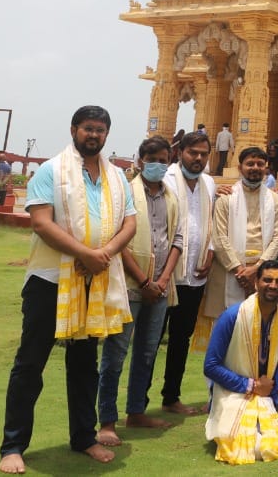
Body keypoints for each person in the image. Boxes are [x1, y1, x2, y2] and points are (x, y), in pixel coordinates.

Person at [0, 106, 137, 474]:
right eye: (88, 128)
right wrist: (86, 254)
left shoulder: (117, 176)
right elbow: (42, 223)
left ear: (107, 134)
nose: (94, 135)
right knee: (30, 365)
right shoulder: (51, 170)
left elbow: (129, 223)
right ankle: (13, 446)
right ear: (74, 129)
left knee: (84, 365)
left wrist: (102, 255)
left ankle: (84, 438)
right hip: (50, 282)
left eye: (101, 130)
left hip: (96, 281)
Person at [97, 136, 183, 445]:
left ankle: (136, 411)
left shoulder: (171, 196)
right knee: (115, 354)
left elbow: (177, 240)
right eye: (153, 158)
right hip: (129, 285)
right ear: (140, 159)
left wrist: (161, 281)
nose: (158, 164)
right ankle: (107, 420)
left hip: (160, 287)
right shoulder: (125, 193)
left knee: (146, 354)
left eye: (164, 159)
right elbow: (118, 241)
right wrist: (144, 282)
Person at [203, 260, 278, 464]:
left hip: (271, 382)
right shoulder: (233, 315)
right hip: (234, 389)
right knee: (259, 449)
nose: (273, 285)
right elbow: (211, 366)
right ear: (256, 282)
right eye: (267, 280)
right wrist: (251, 385)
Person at [200, 147, 278, 351]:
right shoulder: (226, 198)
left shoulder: (273, 199)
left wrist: (257, 269)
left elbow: (277, 237)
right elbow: (219, 239)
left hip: (261, 274)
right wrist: (240, 270)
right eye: (250, 164)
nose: (255, 168)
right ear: (240, 167)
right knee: (225, 337)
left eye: (260, 164)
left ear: (266, 168)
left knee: (256, 338)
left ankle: (253, 383)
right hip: (229, 271)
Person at [159, 129, 216, 415]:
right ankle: (136, 404)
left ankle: (171, 396)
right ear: (180, 152)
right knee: (153, 338)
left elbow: (213, 222)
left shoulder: (209, 183)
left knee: (181, 338)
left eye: (204, 154)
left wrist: (211, 251)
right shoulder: (166, 180)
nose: (198, 158)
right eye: (193, 152)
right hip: (165, 274)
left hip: (195, 275)